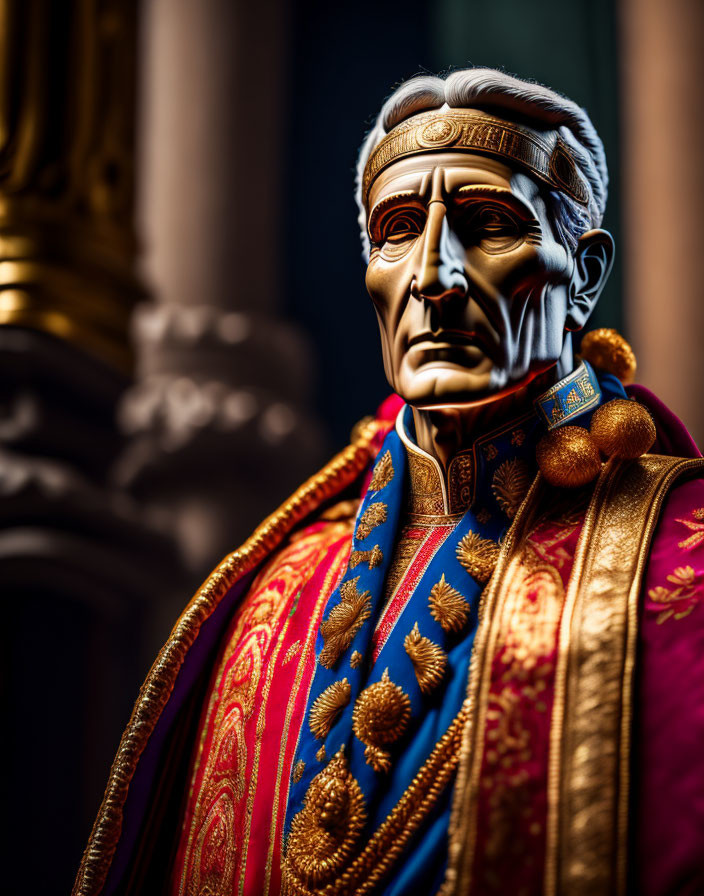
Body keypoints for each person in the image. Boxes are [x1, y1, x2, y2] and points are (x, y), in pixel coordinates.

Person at [74, 68, 704, 896]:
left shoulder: (682, 569)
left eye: (487, 226)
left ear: (582, 275)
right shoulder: (276, 596)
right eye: (398, 231)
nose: (433, 278)